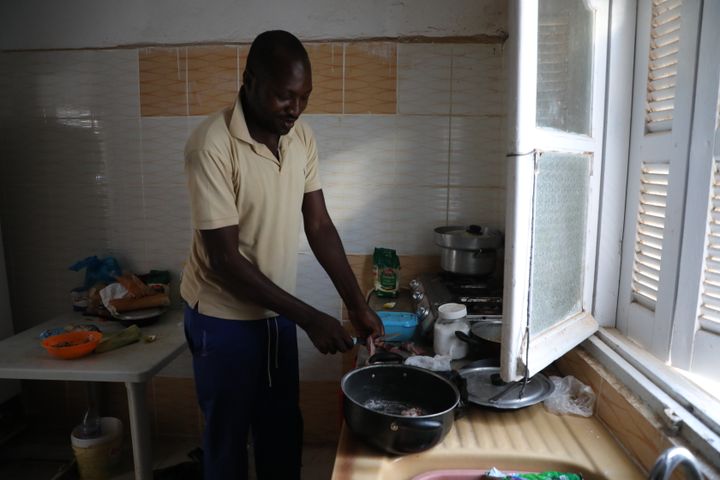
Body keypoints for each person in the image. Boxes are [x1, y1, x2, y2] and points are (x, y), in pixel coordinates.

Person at [180, 30, 384, 480]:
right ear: (249, 80)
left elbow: (319, 225)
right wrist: (311, 318)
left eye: (304, 98)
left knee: (280, 428)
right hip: (222, 317)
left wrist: (355, 304)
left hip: (274, 311)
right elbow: (224, 262)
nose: (295, 110)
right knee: (228, 438)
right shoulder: (211, 146)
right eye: (284, 97)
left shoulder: (300, 138)